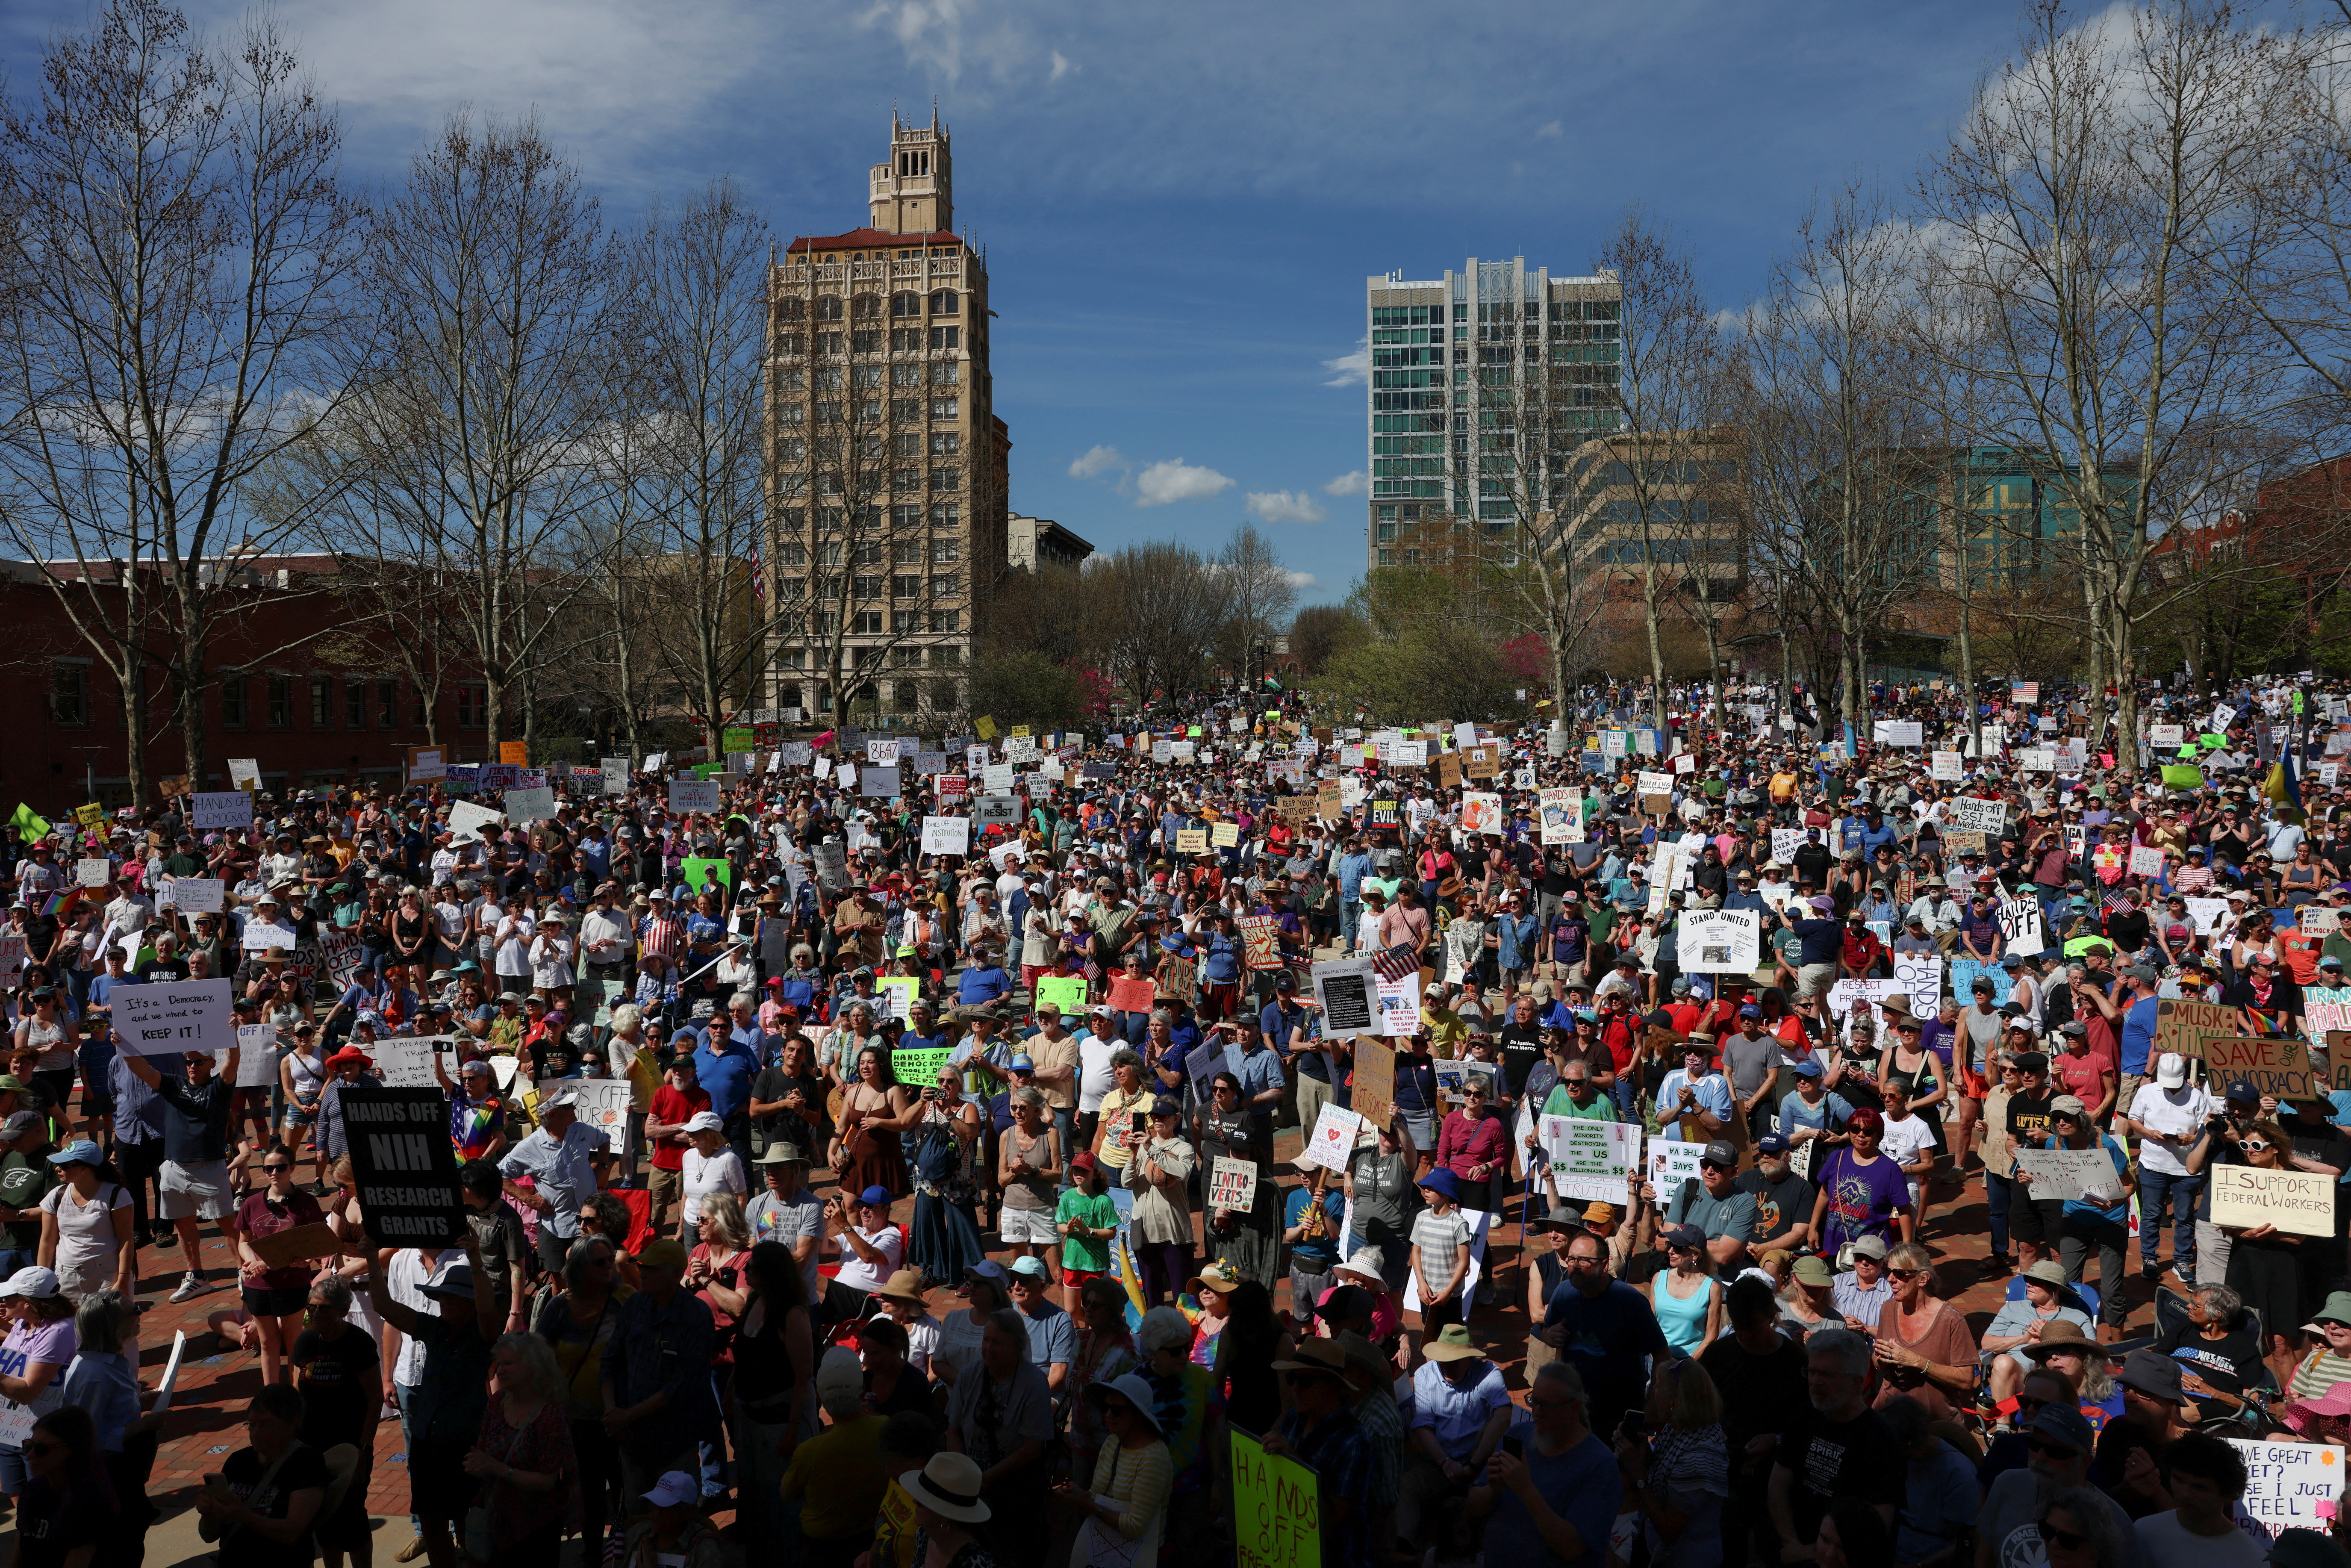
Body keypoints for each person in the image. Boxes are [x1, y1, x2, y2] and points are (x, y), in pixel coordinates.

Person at [365, 1238, 499, 1568]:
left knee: (468, 1520)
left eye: (453, 1297)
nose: (445, 1302)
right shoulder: (434, 1329)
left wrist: (477, 1261)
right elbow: (384, 1307)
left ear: (469, 1301)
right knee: (430, 1520)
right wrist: (371, 1258)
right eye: (441, 1296)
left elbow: (486, 1309)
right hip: (427, 1441)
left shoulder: (483, 1337)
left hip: (465, 1443)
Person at [598, 1238, 720, 1506]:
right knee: (637, 1514)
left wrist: (625, 1417)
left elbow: (681, 1387)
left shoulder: (696, 1316)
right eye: (642, 1267)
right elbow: (610, 1361)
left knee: (675, 1515)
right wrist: (613, 1414)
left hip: (674, 1441)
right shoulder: (634, 1305)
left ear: (677, 1274)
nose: (643, 1272)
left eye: (652, 1269)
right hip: (631, 1439)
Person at [1465, 1359, 1620, 1568]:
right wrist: (1494, 1489)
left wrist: (1526, 1490)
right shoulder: (1518, 1435)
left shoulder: (1600, 1465)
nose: (1536, 1413)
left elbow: (1573, 1548)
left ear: (1574, 1409)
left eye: (1546, 1406)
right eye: (1534, 1401)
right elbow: (1472, 1509)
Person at [532, 1237, 630, 1560]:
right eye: (599, 1262)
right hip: (577, 1422)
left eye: (610, 1260)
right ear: (579, 1270)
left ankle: (624, 1552)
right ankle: (591, 1553)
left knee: (625, 1490)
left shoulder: (625, 1300)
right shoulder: (560, 1308)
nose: (609, 1267)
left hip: (621, 1417)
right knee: (589, 1493)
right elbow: (539, 1359)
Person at [117, 1047, 239, 1303]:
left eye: (199, 1062)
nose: (192, 1066)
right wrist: (124, 1047)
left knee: (229, 1226)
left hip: (209, 1168)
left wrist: (233, 1038)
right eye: (189, 1062)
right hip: (174, 1168)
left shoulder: (219, 1086)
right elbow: (141, 1069)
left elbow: (233, 1061)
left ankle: (243, 1272)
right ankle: (196, 1276)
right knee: (184, 1227)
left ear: (211, 1063)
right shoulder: (174, 1084)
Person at [1767, 1329, 1903, 1555]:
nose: (1815, 1383)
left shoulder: (1882, 1441)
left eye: (1828, 1375)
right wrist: (1790, 1542)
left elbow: (1877, 1528)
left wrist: (1808, 1553)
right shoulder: (1803, 1417)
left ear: (1856, 1383)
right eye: (1812, 1372)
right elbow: (1778, 1485)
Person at [943, 1308, 1053, 1566]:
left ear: (1017, 1347)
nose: (988, 1349)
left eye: (998, 1343)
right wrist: (963, 1473)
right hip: (972, 1488)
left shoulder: (1034, 1384)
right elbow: (954, 1429)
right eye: (986, 1340)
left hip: (1013, 1493)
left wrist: (986, 1478)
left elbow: (1032, 1449)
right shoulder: (970, 1375)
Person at [1538, 1227, 1669, 1438]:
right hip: (1573, 1406)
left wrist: (1653, 1404)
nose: (1575, 1267)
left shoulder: (1630, 1302)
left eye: (1584, 1260)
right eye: (1571, 1260)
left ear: (1605, 1265)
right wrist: (1549, 1335)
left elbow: (1662, 1354)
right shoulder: (1564, 1293)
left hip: (1618, 1412)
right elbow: (1546, 1329)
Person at [1974, 1402, 2135, 1568]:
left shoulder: (2113, 1520)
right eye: (2035, 1445)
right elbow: (1984, 1559)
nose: (2040, 1458)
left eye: (2056, 1451)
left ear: (2085, 1463)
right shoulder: (2007, 1485)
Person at [464, 1332, 576, 1568]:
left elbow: (547, 1482)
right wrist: (477, 1463)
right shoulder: (496, 1404)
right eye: (499, 1364)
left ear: (534, 1367)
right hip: (496, 1520)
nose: (500, 1371)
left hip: (536, 1529)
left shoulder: (550, 1416)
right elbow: (483, 1449)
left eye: (509, 1363)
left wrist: (496, 1468)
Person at [1264, 1341, 1379, 1568]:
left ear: (1334, 1386)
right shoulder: (1294, 1419)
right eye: (1292, 1379)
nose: (1295, 1388)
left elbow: (1330, 1525)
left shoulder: (1354, 1441)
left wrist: (1296, 1464)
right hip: (1288, 1552)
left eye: (1305, 1382)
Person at [289, 1274, 377, 1568]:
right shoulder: (306, 1341)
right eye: (311, 1307)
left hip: (349, 1446)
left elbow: (374, 1399)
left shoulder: (358, 1344)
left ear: (342, 1311)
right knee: (323, 1518)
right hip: (312, 1445)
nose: (314, 1313)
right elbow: (295, 1394)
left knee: (352, 1516)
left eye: (323, 1308)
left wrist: (363, 1449)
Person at [1400, 1323, 1514, 1548]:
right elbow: (1423, 1427)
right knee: (1406, 1487)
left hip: (1477, 1466)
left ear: (1471, 1359)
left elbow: (1504, 1416)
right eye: (1443, 1360)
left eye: (1454, 1361)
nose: (1447, 1366)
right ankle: (1402, 1547)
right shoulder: (1424, 1375)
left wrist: (1473, 1466)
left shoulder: (1489, 1373)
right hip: (1437, 1464)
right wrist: (1445, 1462)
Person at [193, 1386, 329, 1568]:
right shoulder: (238, 1461)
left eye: (266, 1424)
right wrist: (209, 1513)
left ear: (292, 1423)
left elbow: (291, 1533)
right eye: (252, 1424)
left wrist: (242, 1515)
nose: (255, 1433)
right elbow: (208, 1536)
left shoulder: (307, 1462)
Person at [776, 1350, 889, 1568]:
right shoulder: (886, 1428)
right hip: (874, 1539)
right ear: (863, 1391)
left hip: (823, 1549)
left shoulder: (811, 1451)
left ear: (819, 1396)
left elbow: (787, 1494)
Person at [1615, 1355, 1728, 1568]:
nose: (1653, 1391)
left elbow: (1669, 1531)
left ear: (1673, 1403)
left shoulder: (1698, 1459)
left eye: (1658, 1387)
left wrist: (1638, 1475)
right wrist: (1641, 1453)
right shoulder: (1677, 1429)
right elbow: (1664, 1469)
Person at [1052, 1371, 1173, 1568]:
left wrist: (1088, 1504)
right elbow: (1098, 1495)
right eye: (1105, 1407)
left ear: (1139, 1415)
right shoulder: (1112, 1442)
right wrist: (1077, 1496)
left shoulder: (1154, 1458)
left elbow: (1136, 1527)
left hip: (1138, 1557)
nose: (1108, 1415)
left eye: (1116, 1410)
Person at [233, 1144, 326, 1386]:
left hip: (292, 1283)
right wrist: (252, 1262)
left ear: (293, 1167)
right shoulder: (252, 1203)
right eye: (268, 1168)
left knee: (294, 1341)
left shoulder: (305, 1203)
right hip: (259, 1285)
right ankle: (271, 1396)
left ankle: (296, 1396)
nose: (274, 1172)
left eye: (281, 1167)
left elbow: (316, 1243)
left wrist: (305, 1259)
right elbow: (243, 1241)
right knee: (267, 1343)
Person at [1871, 1242, 1980, 1423]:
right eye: (1887, 1271)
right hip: (1889, 1414)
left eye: (1899, 1274)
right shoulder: (1888, 1309)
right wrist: (1880, 1359)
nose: (1890, 1279)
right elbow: (1878, 1362)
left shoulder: (1951, 1320)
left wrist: (1918, 1363)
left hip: (1935, 1422)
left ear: (1923, 1279)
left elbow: (1966, 1380)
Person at [0, 1264, 78, 1508]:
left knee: (46, 1501)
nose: (3, 1300)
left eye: (9, 1296)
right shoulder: (24, 1325)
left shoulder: (58, 1331)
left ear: (27, 1302)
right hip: (9, 1428)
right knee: (19, 1498)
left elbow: (28, 1391)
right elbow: (21, 1354)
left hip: (39, 1434)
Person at [2133, 1430, 2266, 1566]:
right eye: (2178, 1480)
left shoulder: (2250, 1558)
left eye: (2200, 1487)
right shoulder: (2144, 1531)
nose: (2185, 1494)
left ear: (2228, 1494)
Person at [14, 1404, 117, 1568]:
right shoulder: (33, 1490)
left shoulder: (90, 1502)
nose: (30, 1455)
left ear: (72, 1450)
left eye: (41, 1449)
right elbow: (17, 1559)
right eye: (29, 1446)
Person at [895, 1453, 999, 1568]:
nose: (915, 1501)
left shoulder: (975, 1564)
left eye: (922, 1501)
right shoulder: (924, 1534)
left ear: (946, 1515)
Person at [620, 1471, 723, 1568]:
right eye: (654, 1504)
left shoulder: (704, 1550)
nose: (656, 1513)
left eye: (666, 1507)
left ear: (688, 1511)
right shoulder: (636, 1534)